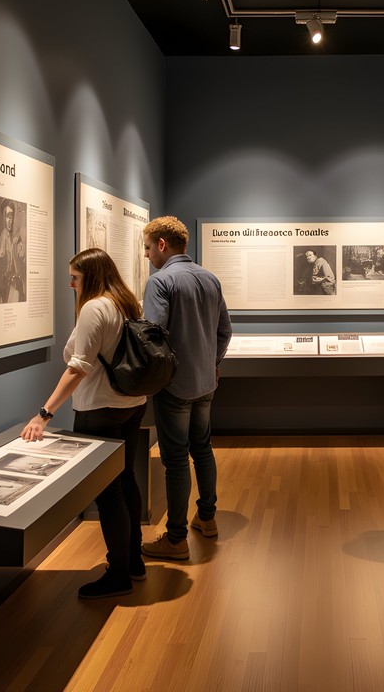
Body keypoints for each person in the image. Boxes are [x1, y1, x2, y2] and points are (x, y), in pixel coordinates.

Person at [21, 248, 147, 599]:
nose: (69, 283)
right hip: (132, 403)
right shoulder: (124, 300)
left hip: (101, 409)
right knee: (126, 480)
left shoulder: (95, 307)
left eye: (74, 277)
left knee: (109, 495)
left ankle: (119, 574)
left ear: (88, 277)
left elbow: (78, 367)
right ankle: (133, 561)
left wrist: (44, 413)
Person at [141, 216, 232, 561]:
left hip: (174, 386)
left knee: (176, 459)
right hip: (206, 383)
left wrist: (153, 378)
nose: (147, 255)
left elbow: (153, 337)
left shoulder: (160, 282)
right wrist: (212, 363)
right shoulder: (210, 278)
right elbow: (225, 331)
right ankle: (207, 519)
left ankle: (176, 538)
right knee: (203, 448)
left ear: (162, 245)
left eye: (148, 248)